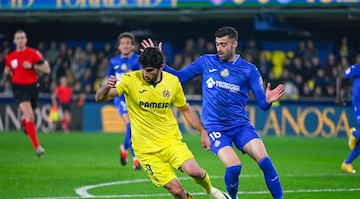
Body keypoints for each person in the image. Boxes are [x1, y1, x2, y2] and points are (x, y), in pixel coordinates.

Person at [142, 26, 285, 199]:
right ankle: (233, 197)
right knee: (234, 167)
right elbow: (179, 77)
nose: (219, 48)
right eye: (217, 44)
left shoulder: (249, 70)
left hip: (240, 126)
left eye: (223, 44)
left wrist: (268, 101)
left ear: (234, 44)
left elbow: (262, 104)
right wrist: (161, 63)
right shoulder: (205, 62)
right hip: (216, 128)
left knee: (266, 163)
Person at [95, 47, 230, 199]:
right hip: (146, 150)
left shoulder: (172, 82)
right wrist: (107, 86)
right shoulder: (130, 80)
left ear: (160, 67)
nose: (145, 74)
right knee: (178, 192)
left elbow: (185, 109)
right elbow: (99, 98)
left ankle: (210, 190)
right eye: (144, 70)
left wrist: (203, 131)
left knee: (195, 172)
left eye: (150, 70)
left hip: (170, 141)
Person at [4, 29, 51, 157]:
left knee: (31, 115)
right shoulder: (9, 57)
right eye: (17, 38)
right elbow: (7, 70)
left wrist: (32, 66)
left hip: (33, 88)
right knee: (29, 114)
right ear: (14, 41)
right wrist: (6, 73)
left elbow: (47, 69)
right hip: (19, 88)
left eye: (22, 38)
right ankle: (37, 147)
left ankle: (24, 123)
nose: (20, 40)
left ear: (26, 40)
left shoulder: (34, 54)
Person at [107, 32, 142, 170]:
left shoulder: (138, 60)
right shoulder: (113, 61)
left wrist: (131, 74)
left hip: (134, 97)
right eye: (123, 43)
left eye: (128, 43)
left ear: (133, 46)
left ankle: (124, 148)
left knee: (133, 127)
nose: (125, 45)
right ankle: (135, 159)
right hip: (120, 97)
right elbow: (109, 78)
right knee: (129, 125)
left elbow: (142, 77)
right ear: (119, 46)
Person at [336, 62, 360, 173]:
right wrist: (338, 97)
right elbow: (340, 77)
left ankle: (347, 163)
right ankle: (354, 133)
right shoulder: (357, 68)